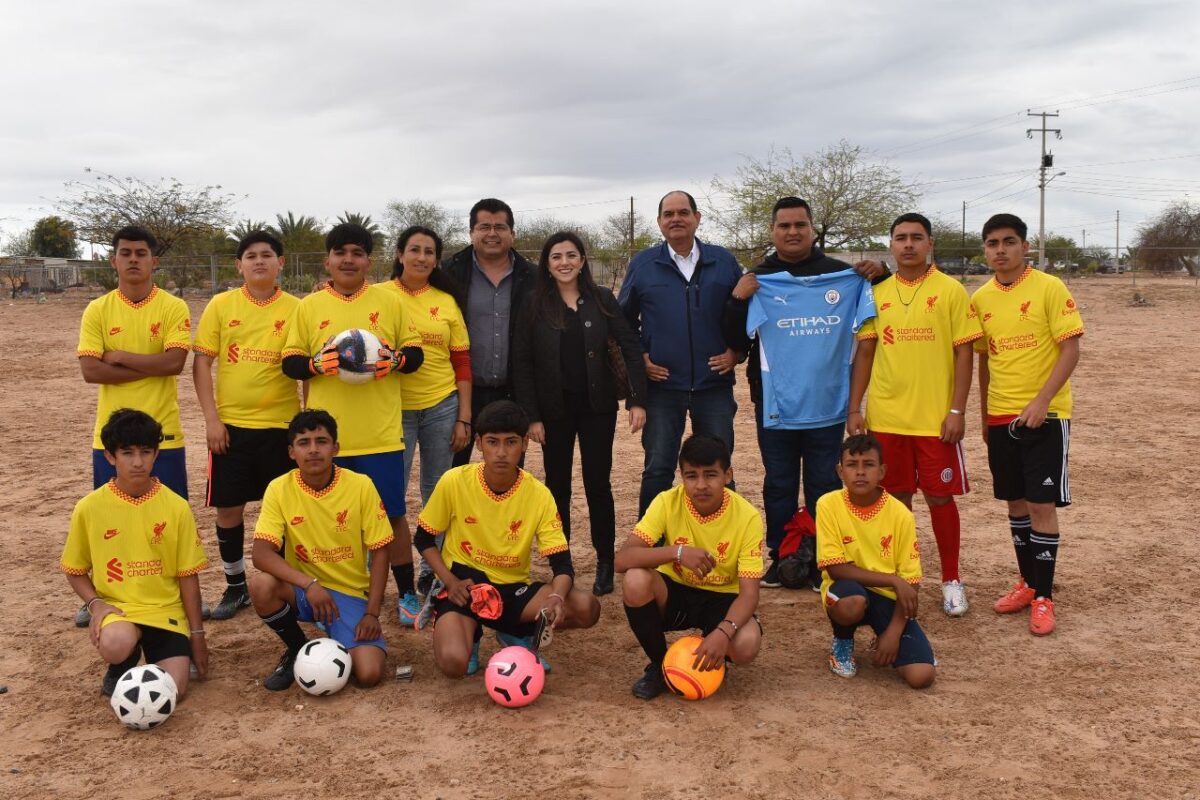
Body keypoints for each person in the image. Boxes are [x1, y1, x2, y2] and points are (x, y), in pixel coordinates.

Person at [724, 196, 882, 591]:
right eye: (784, 226)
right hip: (775, 403)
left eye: (800, 225)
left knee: (823, 485)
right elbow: (735, 339)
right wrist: (737, 299)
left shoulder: (843, 276)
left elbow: (886, 301)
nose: (792, 232)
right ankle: (782, 556)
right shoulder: (759, 279)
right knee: (778, 482)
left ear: (812, 229)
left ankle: (821, 559)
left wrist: (882, 273)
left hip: (829, 403)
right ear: (772, 231)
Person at [280, 223, 426, 624]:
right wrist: (314, 364)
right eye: (340, 252)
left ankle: (407, 593)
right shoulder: (308, 307)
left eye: (357, 253)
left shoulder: (390, 302)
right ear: (327, 260)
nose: (348, 260)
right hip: (327, 440)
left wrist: (396, 360)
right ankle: (342, 592)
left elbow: (415, 355)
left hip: (380, 436)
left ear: (368, 260)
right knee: (331, 521)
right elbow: (290, 362)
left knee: (391, 516)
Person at [846, 213, 982, 617]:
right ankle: (902, 577)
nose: (908, 244)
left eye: (916, 237)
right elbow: (866, 352)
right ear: (890, 244)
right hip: (887, 418)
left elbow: (964, 354)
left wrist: (956, 410)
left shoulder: (951, 290)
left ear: (930, 244)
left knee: (940, 497)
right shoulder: (876, 292)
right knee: (895, 501)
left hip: (935, 421)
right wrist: (855, 407)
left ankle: (952, 580)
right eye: (901, 237)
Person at [414, 401, 600, 678]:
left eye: (511, 442)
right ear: (479, 443)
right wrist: (449, 582)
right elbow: (423, 539)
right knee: (454, 665)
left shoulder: (539, 495)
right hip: (464, 588)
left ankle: (515, 632)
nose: (501, 452)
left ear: (524, 443)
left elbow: (562, 565)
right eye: (493, 442)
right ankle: (471, 634)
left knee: (587, 608)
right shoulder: (455, 481)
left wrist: (557, 597)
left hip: (514, 592)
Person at [512, 231, 648, 596]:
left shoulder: (601, 299)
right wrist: (532, 416)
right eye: (556, 257)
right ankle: (563, 565)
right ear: (547, 264)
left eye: (571, 255)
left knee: (597, 484)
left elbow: (630, 346)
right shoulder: (533, 304)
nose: (564, 262)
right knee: (556, 487)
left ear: (582, 260)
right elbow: (522, 362)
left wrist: (637, 399)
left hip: (597, 408)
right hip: (553, 410)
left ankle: (605, 562)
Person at [75, 225, 192, 628]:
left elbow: (174, 363)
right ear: (113, 260)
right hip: (111, 439)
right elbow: (91, 371)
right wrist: (151, 365)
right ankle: (101, 598)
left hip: (164, 436)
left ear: (154, 260)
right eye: (125, 253)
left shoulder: (173, 307)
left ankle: (173, 597)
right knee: (110, 520)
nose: (133, 260)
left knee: (169, 522)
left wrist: (120, 356)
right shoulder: (97, 309)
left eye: (141, 253)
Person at [972, 214, 1084, 636]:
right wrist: (985, 415)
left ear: (1025, 246)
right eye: (992, 243)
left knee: (1041, 505)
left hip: (1045, 416)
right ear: (985, 250)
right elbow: (985, 360)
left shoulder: (1049, 288)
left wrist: (1042, 401)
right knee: (1015, 502)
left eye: (1009, 242)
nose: (1000, 250)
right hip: (1001, 416)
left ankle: (1044, 597)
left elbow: (1070, 349)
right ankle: (1027, 582)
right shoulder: (981, 298)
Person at [61, 409, 208, 698]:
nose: (138, 462)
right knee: (116, 643)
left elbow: (188, 576)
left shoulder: (177, 507)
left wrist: (197, 635)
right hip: (119, 611)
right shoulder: (89, 508)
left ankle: (156, 651)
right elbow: (74, 569)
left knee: (173, 690)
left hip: (165, 611)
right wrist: (96, 605)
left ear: (156, 454)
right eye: (127, 453)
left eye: (145, 452)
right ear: (110, 456)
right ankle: (122, 663)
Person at [192, 230, 301, 620]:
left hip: (281, 427)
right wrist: (212, 420)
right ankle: (236, 585)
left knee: (287, 511)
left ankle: (285, 582)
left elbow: (304, 367)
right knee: (228, 509)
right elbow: (202, 362)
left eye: (267, 255)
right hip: (232, 428)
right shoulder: (221, 305)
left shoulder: (297, 308)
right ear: (239, 265)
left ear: (280, 263)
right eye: (251, 256)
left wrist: (304, 422)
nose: (259, 261)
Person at [618, 190, 743, 517]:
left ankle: (724, 537)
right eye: (669, 214)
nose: (676, 219)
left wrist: (737, 352)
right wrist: (641, 357)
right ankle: (652, 540)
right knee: (658, 468)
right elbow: (622, 321)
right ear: (659, 222)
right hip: (662, 387)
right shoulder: (643, 265)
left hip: (714, 386)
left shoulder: (724, 262)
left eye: (683, 212)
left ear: (697, 218)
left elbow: (746, 312)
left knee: (718, 467)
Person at [248, 410, 392, 690]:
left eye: (321, 441)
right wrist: (309, 584)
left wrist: (372, 613)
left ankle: (336, 633)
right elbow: (261, 553)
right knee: (261, 586)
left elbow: (381, 550)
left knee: (369, 674)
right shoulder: (279, 488)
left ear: (335, 448)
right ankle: (298, 648)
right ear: (291, 452)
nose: (313, 450)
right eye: (304, 443)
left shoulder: (361, 485)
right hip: (303, 591)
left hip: (349, 593)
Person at [615, 434, 764, 700]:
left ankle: (715, 655)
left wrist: (723, 632)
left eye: (711, 475)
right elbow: (622, 560)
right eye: (692, 476)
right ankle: (660, 666)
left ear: (728, 475)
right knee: (635, 579)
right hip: (676, 591)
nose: (701, 485)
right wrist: (677, 552)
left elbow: (750, 594)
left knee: (746, 644)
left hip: (723, 598)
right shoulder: (667, 501)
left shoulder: (748, 517)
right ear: (681, 476)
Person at [380, 226, 472, 596]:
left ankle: (430, 572)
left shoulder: (447, 301)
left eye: (429, 252)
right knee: (389, 495)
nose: (421, 257)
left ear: (436, 260)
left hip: (441, 407)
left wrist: (464, 417)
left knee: (437, 493)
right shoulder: (377, 296)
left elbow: (462, 362)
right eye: (414, 249)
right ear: (399, 254)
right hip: (392, 409)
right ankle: (376, 574)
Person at [816, 434, 935, 689]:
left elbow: (911, 582)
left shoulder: (901, 514)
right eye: (852, 465)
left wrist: (893, 633)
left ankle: (883, 636)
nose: (860, 472)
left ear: (882, 471)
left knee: (921, 676)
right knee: (851, 602)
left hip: (889, 598)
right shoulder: (828, 505)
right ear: (840, 471)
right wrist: (893, 579)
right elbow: (835, 568)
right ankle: (843, 641)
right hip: (847, 591)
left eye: (868, 464)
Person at [442, 198, 536, 466]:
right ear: (471, 232)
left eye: (500, 227)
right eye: (484, 227)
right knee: (453, 470)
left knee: (507, 469)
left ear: (512, 233)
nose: (492, 233)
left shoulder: (533, 277)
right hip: (459, 391)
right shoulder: (448, 273)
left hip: (512, 390)